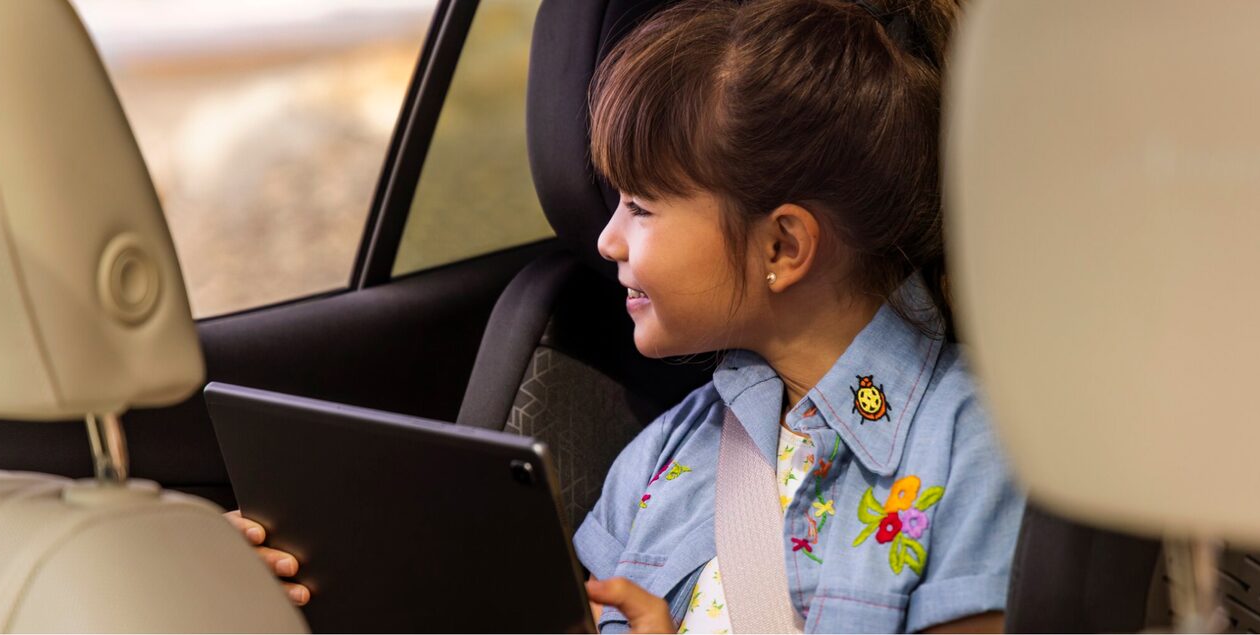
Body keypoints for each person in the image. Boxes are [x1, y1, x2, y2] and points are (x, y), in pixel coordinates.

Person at [229, 0, 1025, 631]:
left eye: (640, 206)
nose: (606, 237)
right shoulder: (660, 461)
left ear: (784, 245)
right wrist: (322, 596)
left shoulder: (976, 451)